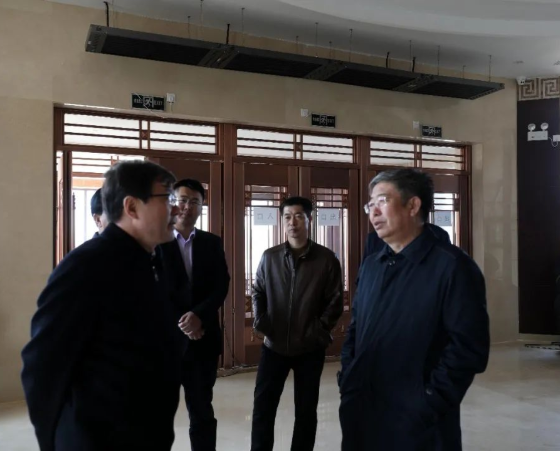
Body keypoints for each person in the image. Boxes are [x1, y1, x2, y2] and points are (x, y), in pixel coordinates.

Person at [21, 160, 184, 450]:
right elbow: (43, 364)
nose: (177, 209)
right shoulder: (87, 264)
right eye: (167, 198)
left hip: (144, 434)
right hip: (98, 438)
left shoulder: (151, 259)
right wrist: (54, 442)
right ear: (132, 207)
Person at [339, 169, 490, 451]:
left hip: (418, 424)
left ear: (413, 205)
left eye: (382, 201)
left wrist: (428, 402)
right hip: (361, 410)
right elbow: (356, 328)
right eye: (370, 205)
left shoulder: (453, 267)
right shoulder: (372, 265)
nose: (374, 212)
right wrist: (348, 377)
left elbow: (468, 349)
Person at [251, 196, 344, 451]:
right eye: (287, 217)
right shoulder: (269, 257)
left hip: (309, 347)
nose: (293, 222)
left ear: (309, 219)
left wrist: (318, 330)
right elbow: (257, 290)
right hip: (274, 345)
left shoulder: (327, 259)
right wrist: (261, 321)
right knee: (263, 408)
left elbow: (335, 301)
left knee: (306, 411)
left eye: (299, 216)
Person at [157, 178, 230, 451]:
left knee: (201, 410)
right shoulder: (155, 241)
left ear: (202, 207)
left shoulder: (211, 243)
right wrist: (184, 323)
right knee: (158, 413)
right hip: (165, 345)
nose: (187, 207)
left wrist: (199, 316)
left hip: (203, 340)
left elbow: (221, 285)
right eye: (182, 200)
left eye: (195, 202)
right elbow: (152, 290)